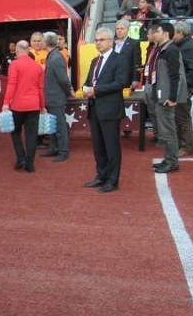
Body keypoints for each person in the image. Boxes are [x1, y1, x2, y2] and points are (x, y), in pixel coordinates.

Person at [83, 28, 131, 192]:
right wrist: (86, 88)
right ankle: (101, 175)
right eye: (96, 40)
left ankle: (112, 180)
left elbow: (121, 82)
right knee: (98, 146)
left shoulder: (120, 59)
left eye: (101, 40)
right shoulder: (95, 61)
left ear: (111, 41)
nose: (98, 43)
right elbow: (89, 80)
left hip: (110, 109)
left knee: (111, 146)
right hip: (95, 108)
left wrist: (96, 90)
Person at [2, 41, 45, 173]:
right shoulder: (38, 67)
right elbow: (41, 89)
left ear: (18, 50)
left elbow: (12, 84)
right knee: (32, 135)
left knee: (15, 131)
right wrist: (42, 106)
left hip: (18, 105)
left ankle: (21, 157)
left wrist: (5, 103)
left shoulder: (15, 64)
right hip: (34, 105)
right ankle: (30, 163)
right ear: (28, 49)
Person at [151, 23, 188, 174]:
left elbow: (175, 76)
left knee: (169, 130)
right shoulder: (163, 49)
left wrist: (172, 97)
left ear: (165, 33)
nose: (154, 34)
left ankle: (172, 162)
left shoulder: (171, 50)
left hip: (166, 97)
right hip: (162, 95)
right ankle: (168, 159)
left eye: (157, 31)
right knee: (165, 130)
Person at [42, 32, 74, 162]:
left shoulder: (55, 58)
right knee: (53, 125)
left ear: (46, 42)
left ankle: (63, 150)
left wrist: (68, 91)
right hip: (52, 96)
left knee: (59, 125)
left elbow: (64, 80)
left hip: (56, 97)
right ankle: (54, 148)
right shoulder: (54, 56)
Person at [172, 21, 193, 155]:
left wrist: (184, 85)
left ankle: (186, 146)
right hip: (180, 86)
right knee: (178, 116)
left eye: (174, 32)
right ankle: (181, 143)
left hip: (184, 88)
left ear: (180, 33)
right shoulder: (182, 45)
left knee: (183, 116)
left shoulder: (189, 46)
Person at [113, 20, 142, 89]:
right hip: (113, 78)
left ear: (127, 30)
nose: (119, 31)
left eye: (122, 29)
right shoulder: (112, 43)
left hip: (127, 78)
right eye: (117, 29)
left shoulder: (134, 43)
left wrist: (136, 79)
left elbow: (137, 62)